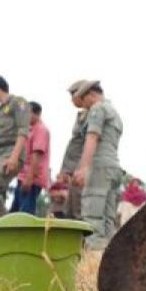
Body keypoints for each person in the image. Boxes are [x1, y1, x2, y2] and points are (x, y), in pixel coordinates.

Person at [71, 80, 123, 249]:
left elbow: (92, 136)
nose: (82, 105)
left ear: (91, 95)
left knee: (92, 219)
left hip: (99, 168)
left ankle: (93, 265)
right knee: (108, 221)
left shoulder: (97, 109)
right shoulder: (115, 113)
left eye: (83, 100)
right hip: (113, 167)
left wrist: (84, 168)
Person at [0, 76, 30, 220]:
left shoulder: (18, 102)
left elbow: (23, 131)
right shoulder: (0, 111)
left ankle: (5, 223)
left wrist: (14, 157)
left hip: (10, 152)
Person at [10, 101, 50, 216]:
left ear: (36, 114)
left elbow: (37, 155)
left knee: (25, 214)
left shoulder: (41, 130)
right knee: (15, 212)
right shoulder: (29, 129)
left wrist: (29, 179)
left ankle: (25, 234)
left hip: (31, 178)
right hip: (23, 176)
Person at [57, 81, 88, 221]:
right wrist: (65, 169)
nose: (72, 100)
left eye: (73, 94)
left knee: (79, 211)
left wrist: (82, 169)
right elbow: (74, 145)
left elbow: (88, 144)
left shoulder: (94, 114)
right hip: (73, 169)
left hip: (82, 169)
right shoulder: (81, 115)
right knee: (69, 210)